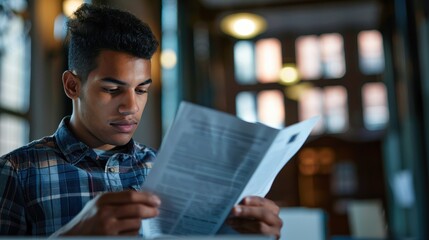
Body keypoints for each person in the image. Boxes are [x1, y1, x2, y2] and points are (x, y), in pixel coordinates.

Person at [0, 3, 282, 238]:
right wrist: (75, 235)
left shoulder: (166, 169)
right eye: (112, 90)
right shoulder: (17, 171)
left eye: (142, 89)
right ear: (73, 86)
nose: (131, 107)